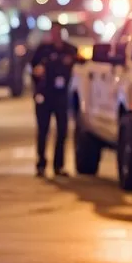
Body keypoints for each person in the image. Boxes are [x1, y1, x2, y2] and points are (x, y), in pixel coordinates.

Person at [29, 23, 78, 177]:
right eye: (53, 32)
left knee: (62, 130)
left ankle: (58, 165)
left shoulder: (69, 49)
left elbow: (80, 61)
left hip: (61, 95)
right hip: (45, 94)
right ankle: (41, 164)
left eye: (58, 32)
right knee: (43, 130)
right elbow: (33, 67)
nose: (56, 35)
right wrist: (37, 73)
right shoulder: (43, 50)